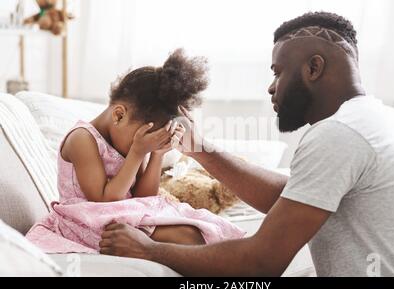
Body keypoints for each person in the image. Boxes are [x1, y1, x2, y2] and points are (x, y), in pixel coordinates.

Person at [99, 12, 394, 277]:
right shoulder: (382, 121)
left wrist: (149, 250)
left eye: (278, 72)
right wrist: (197, 147)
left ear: (314, 67)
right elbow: (290, 198)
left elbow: (260, 264)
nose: (271, 87)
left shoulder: (340, 134)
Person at [26, 49, 245, 254]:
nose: (142, 147)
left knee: (202, 229)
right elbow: (103, 200)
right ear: (119, 115)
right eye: (141, 142)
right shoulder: (83, 139)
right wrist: (138, 152)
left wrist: (156, 156)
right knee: (187, 237)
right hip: (87, 219)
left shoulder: (134, 145)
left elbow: (144, 197)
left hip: (124, 214)